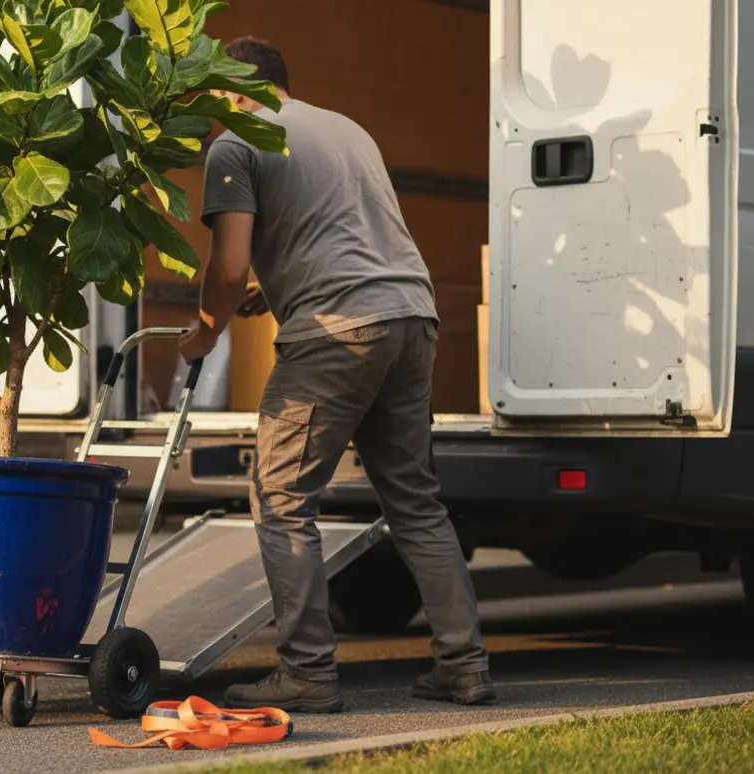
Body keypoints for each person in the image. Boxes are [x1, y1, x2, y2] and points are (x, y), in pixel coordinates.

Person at [178, 37, 494, 713]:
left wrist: (205, 331)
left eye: (210, 93)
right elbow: (335, 232)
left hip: (338, 330)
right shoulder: (346, 128)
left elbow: (228, 267)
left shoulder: (236, 140)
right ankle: (464, 666)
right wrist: (276, 286)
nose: (207, 110)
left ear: (236, 88)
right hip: (411, 317)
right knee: (414, 500)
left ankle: (307, 674)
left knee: (282, 494)